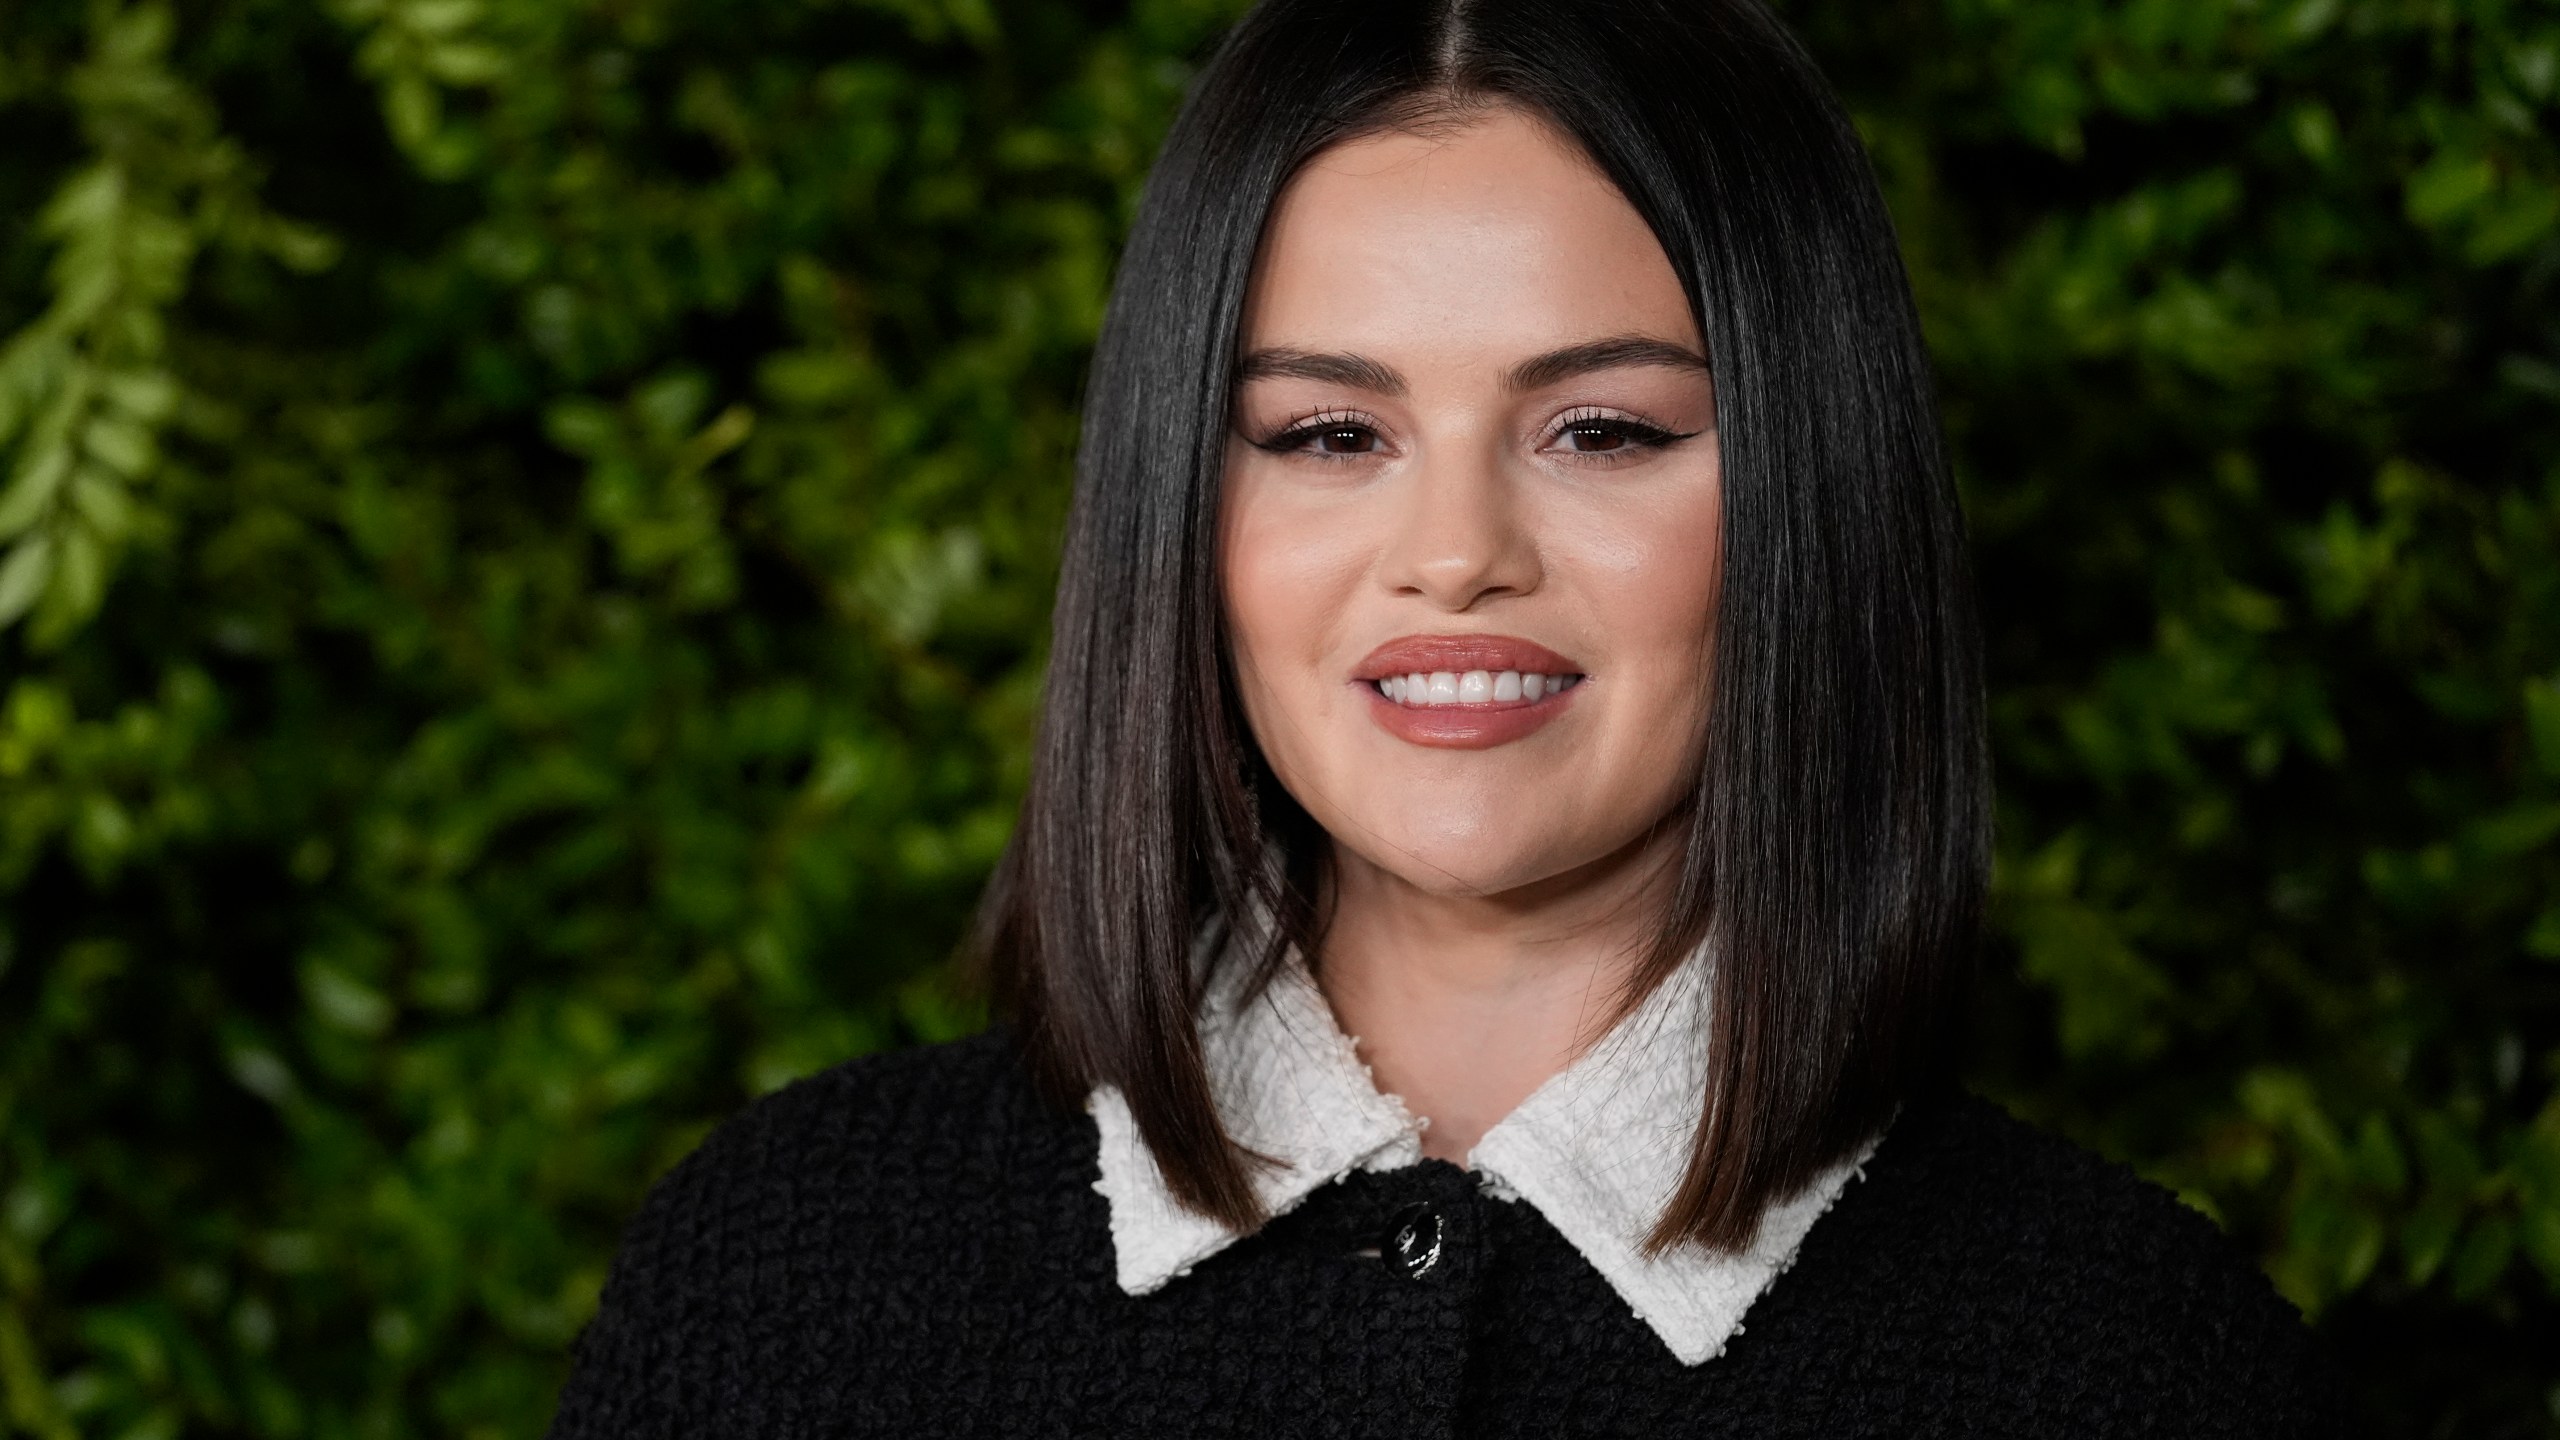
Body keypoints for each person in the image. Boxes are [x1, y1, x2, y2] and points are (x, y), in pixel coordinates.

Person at [546, 0, 2344, 1434]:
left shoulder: (2130, 1359)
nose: (1457, 556)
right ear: (1187, 508)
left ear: (1814, 493)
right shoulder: (788, 1271)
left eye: (1605, 431)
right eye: (1331, 435)